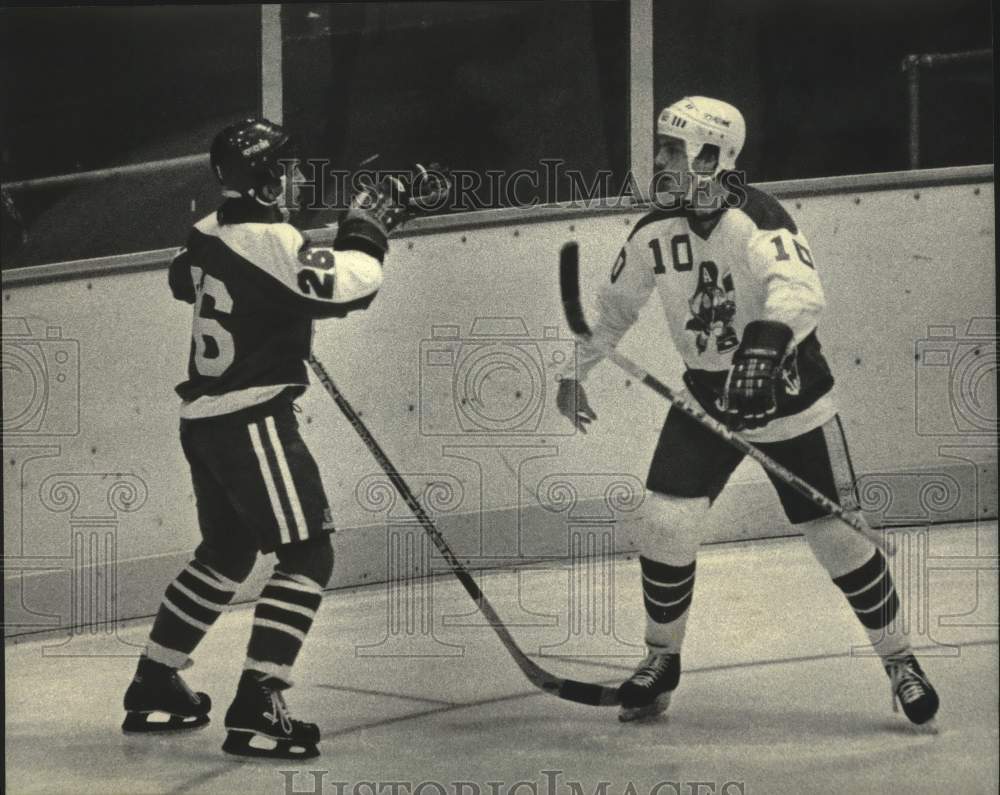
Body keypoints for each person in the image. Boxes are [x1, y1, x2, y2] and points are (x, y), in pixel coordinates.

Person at [556, 96, 939, 727]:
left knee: (839, 540)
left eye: (673, 149)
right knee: (663, 520)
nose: (660, 160)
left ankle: (899, 659)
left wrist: (764, 347)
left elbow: (800, 293)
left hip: (792, 398)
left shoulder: (759, 218)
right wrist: (575, 370)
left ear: (713, 156)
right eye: (661, 147)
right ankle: (660, 663)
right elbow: (614, 309)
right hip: (708, 401)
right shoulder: (654, 230)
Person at [121, 118, 448, 759]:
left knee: (225, 554)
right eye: (287, 167)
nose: (297, 177)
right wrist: (367, 229)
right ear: (265, 179)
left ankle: (156, 678)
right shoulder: (271, 239)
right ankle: (258, 703)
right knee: (308, 554)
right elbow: (349, 287)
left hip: (206, 423)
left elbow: (184, 278)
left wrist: (273, 300)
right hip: (253, 421)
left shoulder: (210, 232)